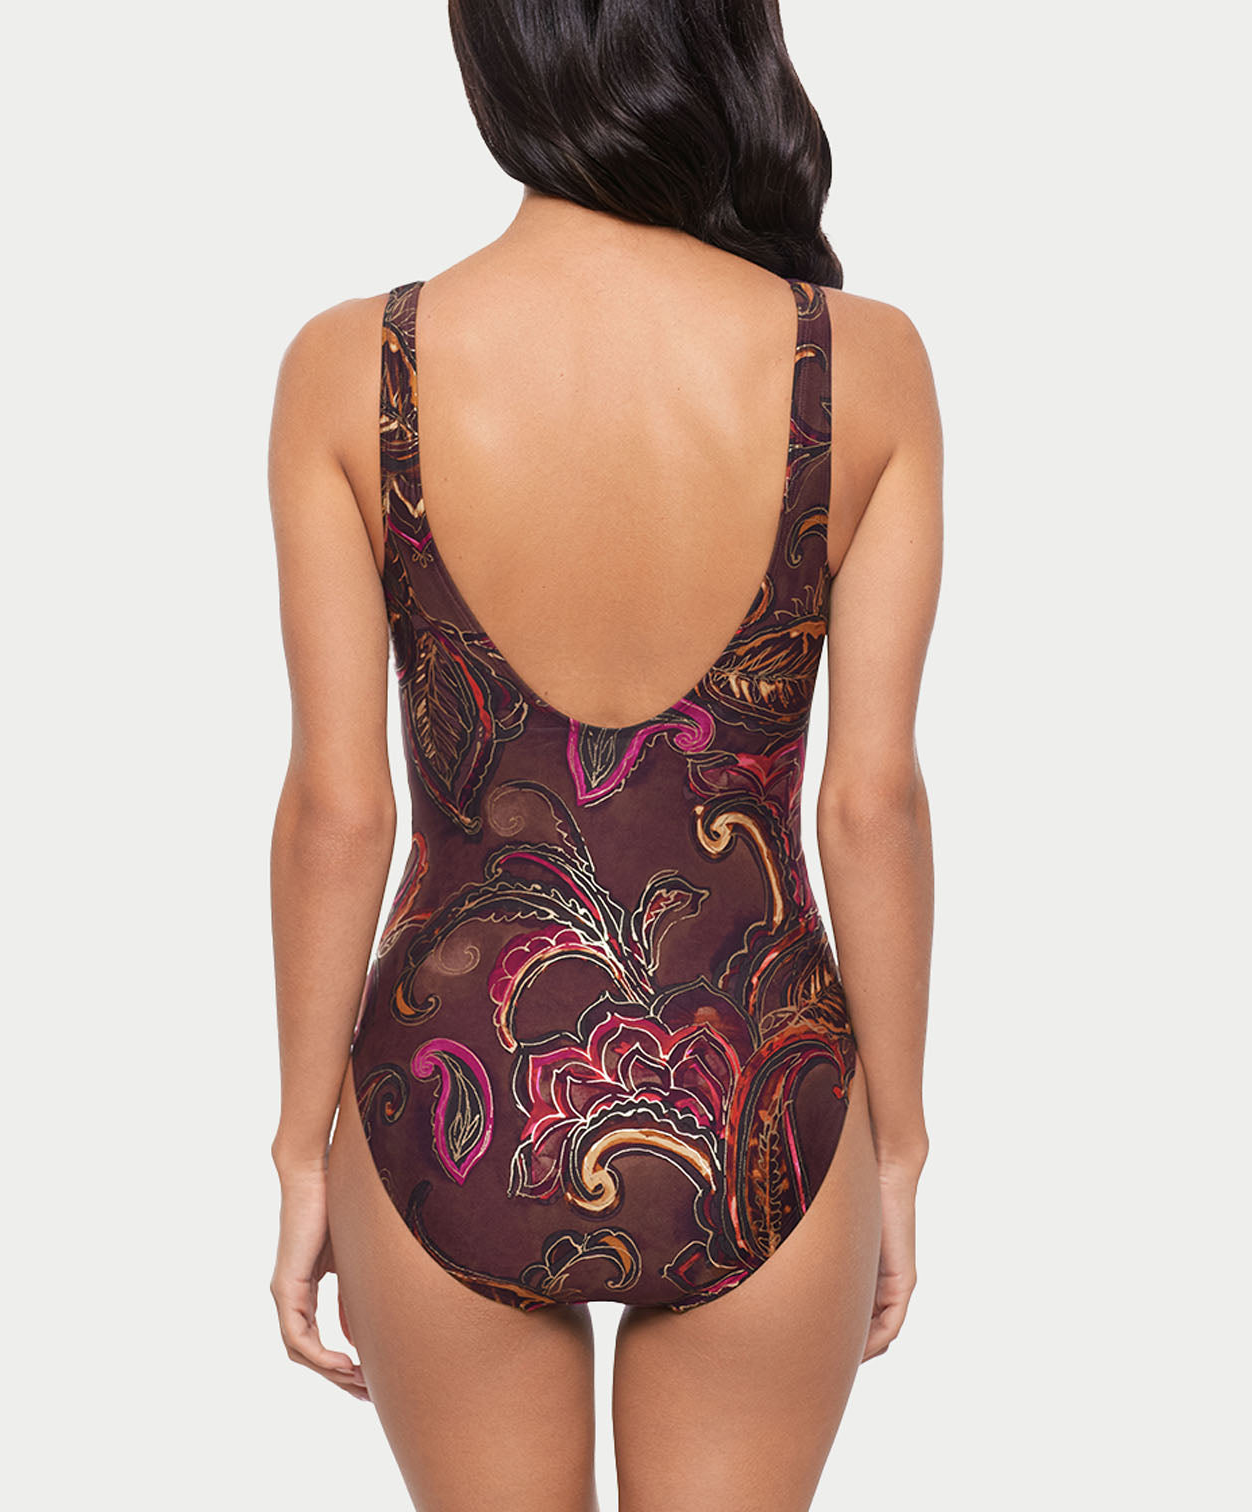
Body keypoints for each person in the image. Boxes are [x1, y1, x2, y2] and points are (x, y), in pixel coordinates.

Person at [266, 3, 940, 1506]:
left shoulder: (353, 366)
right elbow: (870, 803)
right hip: (764, 1077)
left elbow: (336, 811)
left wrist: (302, 1146)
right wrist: (895, 1142)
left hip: (452, 1093)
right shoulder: (862, 363)